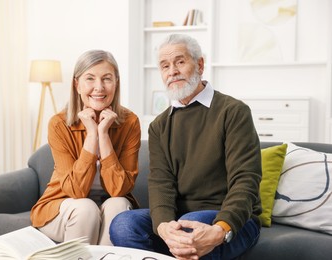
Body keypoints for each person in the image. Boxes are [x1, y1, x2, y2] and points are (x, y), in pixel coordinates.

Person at [109, 34, 262, 259]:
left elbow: (245, 179)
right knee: (123, 224)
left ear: (200, 64)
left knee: (193, 225)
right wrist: (163, 226)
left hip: (231, 220)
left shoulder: (233, 112)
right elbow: (161, 182)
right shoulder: (159, 126)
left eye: (180, 62)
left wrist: (221, 228)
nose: (172, 71)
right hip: (182, 219)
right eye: (165, 66)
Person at [30, 50, 141, 246]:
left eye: (107, 79)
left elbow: (119, 189)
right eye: (90, 78)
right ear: (77, 84)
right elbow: (76, 191)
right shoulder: (58, 124)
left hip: (109, 202)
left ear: (116, 83)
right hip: (64, 205)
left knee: (120, 204)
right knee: (86, 208)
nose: (99, 87)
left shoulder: (130, 122)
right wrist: (91, 135)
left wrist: (103, 134)